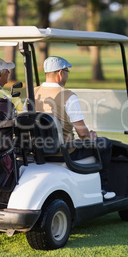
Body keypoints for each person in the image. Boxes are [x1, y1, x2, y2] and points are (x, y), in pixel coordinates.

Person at [34, 56, 115, 200]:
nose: (67, 75)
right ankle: (102, 189)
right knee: (105, 143)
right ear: (60, 73)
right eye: (67, 71)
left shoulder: (33, 93)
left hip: (38, 151)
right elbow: (82, 132)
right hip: (65, 152)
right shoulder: (68, 96)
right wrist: (91, 138)